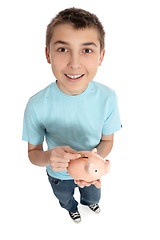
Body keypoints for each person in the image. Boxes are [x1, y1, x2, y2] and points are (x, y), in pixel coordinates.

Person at [22, 7, 121, 223]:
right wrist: (48, 157)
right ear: (48, 54)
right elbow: (33, 153)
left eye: (86, 50)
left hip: (91, 171)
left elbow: (107, 140)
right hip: (58, 176)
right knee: (64, 196)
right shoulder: (36, 104)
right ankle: (70, 207)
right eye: (62, 49)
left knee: (93, 194)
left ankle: (89, 203)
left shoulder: (108, 97)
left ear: (101, 56)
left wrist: (93, 159)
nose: (74, 63)